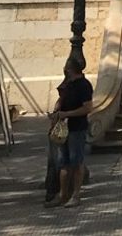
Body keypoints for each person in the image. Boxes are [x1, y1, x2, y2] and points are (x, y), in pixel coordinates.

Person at [44, 56, 93, 209]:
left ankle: (76, 195)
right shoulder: (68, 84)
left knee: (76, 162)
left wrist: (67, 114)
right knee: (63, 162)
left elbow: (87, 108)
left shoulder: (84, 85)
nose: (65, 71)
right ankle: (62, 195)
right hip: (63, 128)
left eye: (67, 68)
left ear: (71, 69)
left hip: (77, 128)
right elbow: (61, 99)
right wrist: (57, 111)